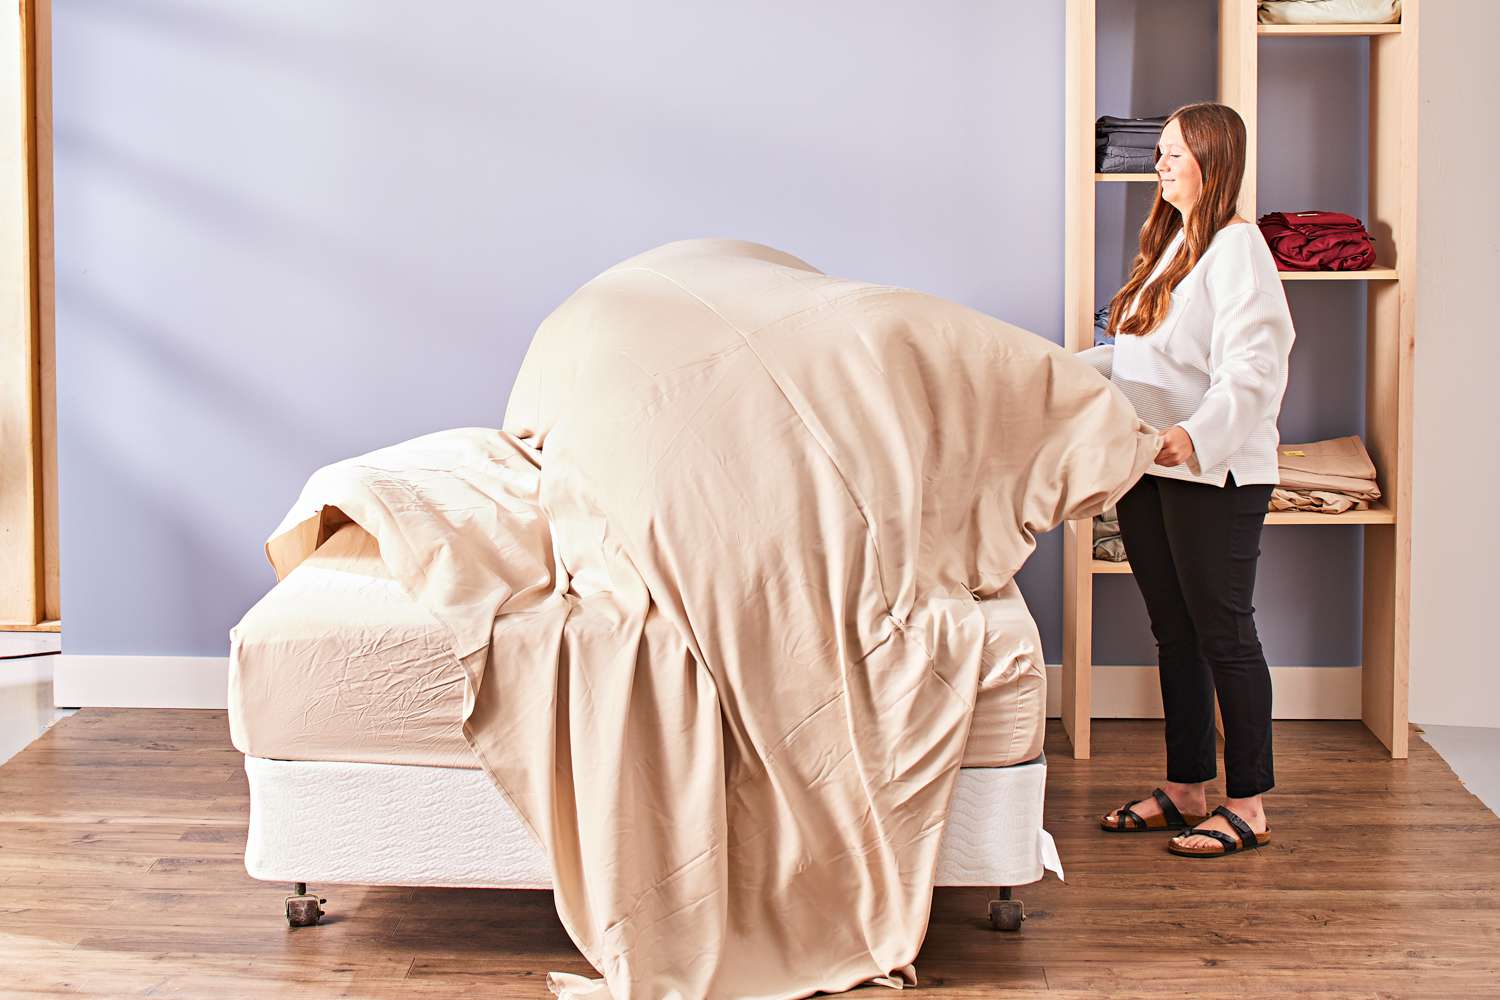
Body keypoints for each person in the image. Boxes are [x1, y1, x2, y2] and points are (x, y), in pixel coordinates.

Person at [1080, 102, 1295, 858]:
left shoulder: (1239, 250)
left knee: (1224, 633)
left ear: (1213, 161)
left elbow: (1256, 369)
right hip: (1151, 465)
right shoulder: (1175, 245)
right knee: (1175, 632)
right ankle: (1185, 788)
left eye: (1174, 155)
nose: (1160, 165)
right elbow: (1136, 356)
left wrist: (1192, 436)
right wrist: (1056, 374)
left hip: (1215, 471)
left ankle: (1248, 804)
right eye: (1160, 154)